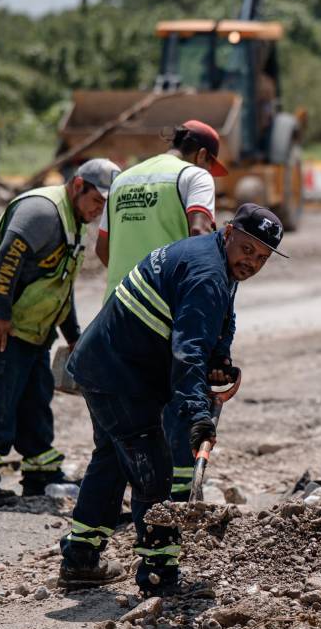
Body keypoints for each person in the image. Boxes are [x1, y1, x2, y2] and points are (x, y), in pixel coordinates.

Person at [58, 204, 287, 594]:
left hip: (109, 365)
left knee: (113, 458)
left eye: (262, 258)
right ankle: (159, 575)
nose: (252, 262)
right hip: (118, 374)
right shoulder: (207, 275)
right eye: (248, 249)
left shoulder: (218, 261)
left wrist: (221, 359)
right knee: (153, 469)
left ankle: (80, 557)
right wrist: (198, 415)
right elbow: (188, 352)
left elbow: (222, 320)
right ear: (228, 232)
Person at [0, 159, 120, 505]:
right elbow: (8, 259)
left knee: (35, 398)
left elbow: (60, 285)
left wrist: (73, 336)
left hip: (29, 328)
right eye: (96, 201)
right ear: (78, 186)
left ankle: (40, 474)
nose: (98, 210)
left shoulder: (75, 222)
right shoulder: (43, 211)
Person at [97, 120, 227, 504]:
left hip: (117, 311)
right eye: (210, 162)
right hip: (166, 313)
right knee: (176, 408)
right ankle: (177, 502)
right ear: (201, 155)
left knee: (123, 416)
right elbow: (201, 235)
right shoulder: (194, 177)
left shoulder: (122, 180)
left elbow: (103, 249)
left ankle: (112, 507)